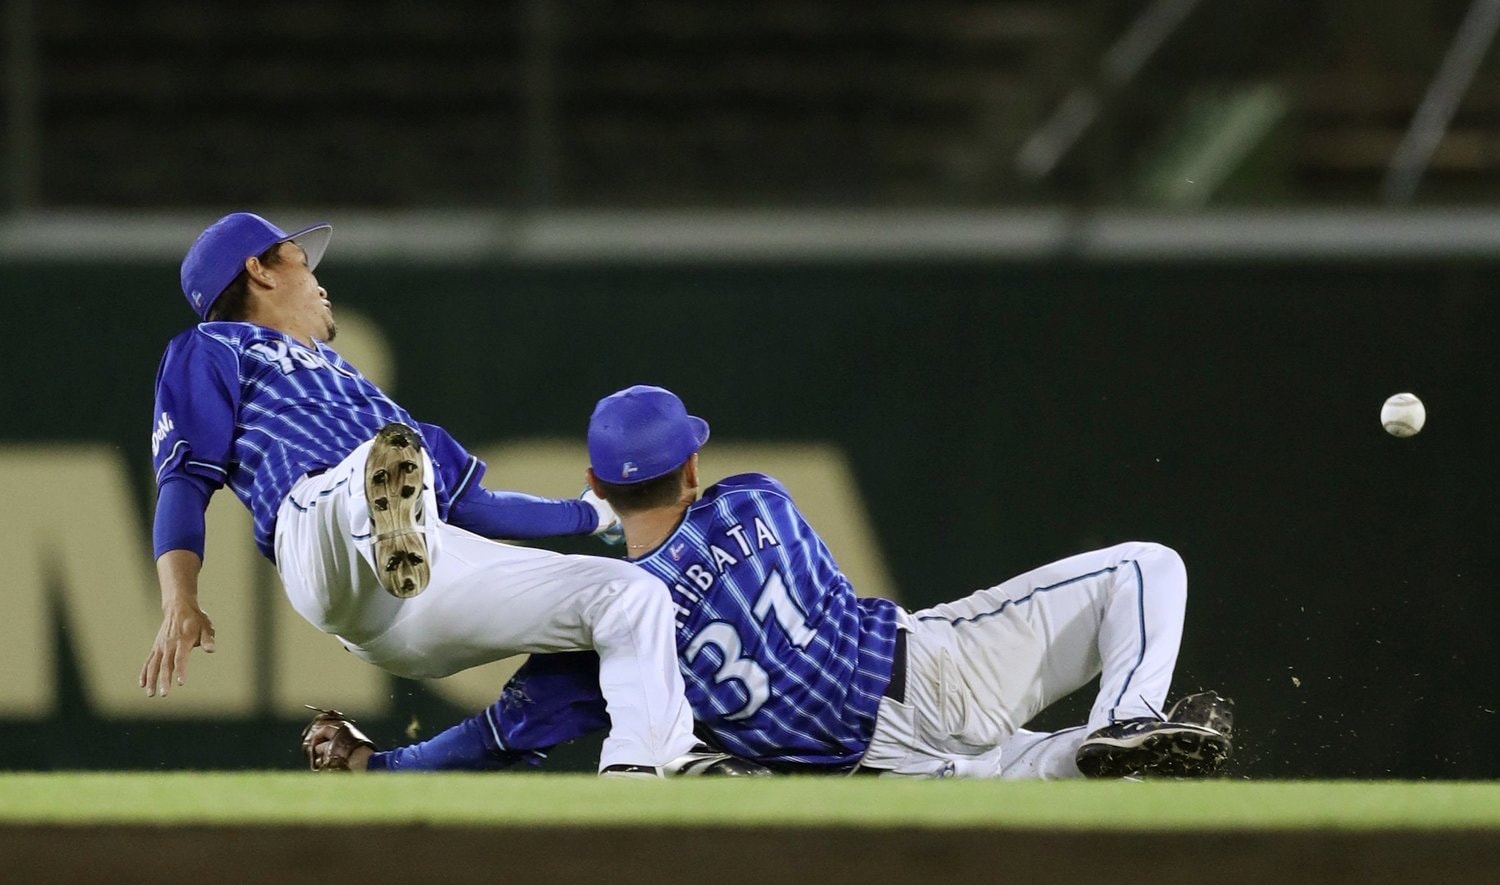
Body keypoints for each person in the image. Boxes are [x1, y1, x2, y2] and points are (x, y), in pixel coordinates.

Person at [303, 384, 1233, 779]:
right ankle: (1123, 720)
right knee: (1146, 570)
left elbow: (497, 738)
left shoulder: (612, 633)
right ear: (693, 466)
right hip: (930, 670)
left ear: (596, 485)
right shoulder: (759, 497)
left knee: (1000, 774)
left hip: (870, 772)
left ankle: (1081, 756)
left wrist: (379, 763)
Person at [141, 213, 708, 776]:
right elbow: (185, 479)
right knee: (381, 460)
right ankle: (380, 515)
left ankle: (640, 772)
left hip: (426, 584)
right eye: (299, 259)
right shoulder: (212, 346)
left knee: (632, 595)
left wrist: (592, 514)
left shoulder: (362, 392)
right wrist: (178, 598)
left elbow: (474, 507)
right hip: (322, 541)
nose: (319, 280)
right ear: (258, 271)